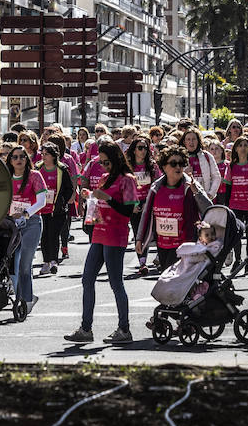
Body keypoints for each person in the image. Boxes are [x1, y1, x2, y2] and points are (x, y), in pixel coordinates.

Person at [65, 140, 137, 345]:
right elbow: (100, 203)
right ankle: (85, 328)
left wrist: (107, 198)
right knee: (87, 279)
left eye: (107, 162)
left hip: (115, 235)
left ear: (116, 159)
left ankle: (124, 329)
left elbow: (128, 210)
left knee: (116, 283)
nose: (104, 167)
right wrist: (92, 205)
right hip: (99, 232)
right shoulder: (104, 178)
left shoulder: (128, 180)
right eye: (102, 163)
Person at [136, 147, 203, 274]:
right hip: (162, 244)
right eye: (173, 163)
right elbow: (146, 215)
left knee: (174, 281)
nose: (178, 167)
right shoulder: (156, 187)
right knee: (167, 279)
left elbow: (207, 208)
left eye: (181, 163)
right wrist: (140, 239)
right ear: (164, 167)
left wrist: (196, 192)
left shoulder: (190, 185)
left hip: (184, 245)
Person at [4, 145, 47, 312]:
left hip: (32, 223)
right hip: (10, 225)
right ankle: (21, 297)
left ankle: (26, 300)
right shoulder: (6, 177)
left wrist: (25, 213)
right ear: (10, 160)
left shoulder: (35, 176)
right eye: (14, 157)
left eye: (22, 156)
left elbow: (41, 201)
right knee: (13, 265)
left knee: (24, 264)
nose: (18, 160)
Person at [215, 136, 248, 275]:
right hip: (235, 205)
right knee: (236, 234)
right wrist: (226, 206)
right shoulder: (231, 166)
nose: (243, 148)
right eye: (240, 145)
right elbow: (228, 188)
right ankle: (237, 259)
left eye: (245, 145)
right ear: (235, 148)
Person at [37, 142, 75, 276]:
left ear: (54, 156)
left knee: (53, 235)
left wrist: (62, 201)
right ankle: (46, 262)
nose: (43, 156)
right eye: (42, 154)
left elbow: (69, 188)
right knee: (44, 236)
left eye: (46, 154)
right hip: (41, 209)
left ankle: (53, 261)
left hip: (57, 210)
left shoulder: (62, 169)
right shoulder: (38, 168)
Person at [125, 138, 160, 273]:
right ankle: (142, 262)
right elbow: (125, 187)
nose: (143, 151)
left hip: (149, 203)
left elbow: (157, 184)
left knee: (152, 232)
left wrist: (149, 202)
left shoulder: (152, 166)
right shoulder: (128, 166)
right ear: (134, 150)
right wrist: (132, 204)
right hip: (134, 204)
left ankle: (159, 257)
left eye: (146, 148)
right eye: (140, 148)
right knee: (138, 232)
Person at [180, 129, 221, 199]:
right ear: (184, 142)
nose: (191, 142)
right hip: (185, 197)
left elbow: (216, 177)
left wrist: (210, 194)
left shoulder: (207, 156)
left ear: (198, 141)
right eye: (188, 139)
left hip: (204, 197)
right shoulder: (178, 157)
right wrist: (183, 173)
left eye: (194, 139)